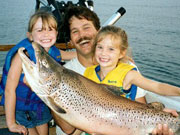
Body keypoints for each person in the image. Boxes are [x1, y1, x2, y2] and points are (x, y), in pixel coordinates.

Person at [54, 6, 178, 135]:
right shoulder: (70, 73)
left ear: (98, 32)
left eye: (86, 28)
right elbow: (73, 127)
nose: (82, 35)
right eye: (75, 31)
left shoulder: (126, 68)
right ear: (70, 39)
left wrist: (158, 123)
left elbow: (144, 104)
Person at [0, 10, 76, 135]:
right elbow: (9, 90)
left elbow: (70, 55)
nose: (46, 34)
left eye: (50, 29)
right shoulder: (23, 55)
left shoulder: (53, 51)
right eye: (40, 30)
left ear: (56, 33)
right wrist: (11, 123)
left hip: (39, 107)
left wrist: (95, 53)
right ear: (30, 35)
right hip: (19, 108)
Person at [84, 25, 180, 101]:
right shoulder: (87, 73)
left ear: (122, 53)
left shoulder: (129, 75)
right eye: (100, 47)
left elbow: (157, 87)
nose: (103, 53)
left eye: (111, 49)